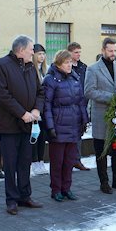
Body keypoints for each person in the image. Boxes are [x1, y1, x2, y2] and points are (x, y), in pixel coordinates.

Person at [0, 35, 45, 215]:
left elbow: (40, 91)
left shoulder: (31, 67)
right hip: (9, 125)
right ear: (21, 50)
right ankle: (11, 199)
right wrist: (22, 113)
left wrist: (37, 109)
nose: (34, 52)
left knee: (25, 162)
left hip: (28, 124)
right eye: (31, 49)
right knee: (10, 164)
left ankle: (25, 195)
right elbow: (2, 94)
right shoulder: (2, 66)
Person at [84, 37, 116, 194]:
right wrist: (112, 97)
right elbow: (89, 91)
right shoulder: (93, 69)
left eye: (115, 50)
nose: (113, 53)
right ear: (102, 50)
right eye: (110, 50)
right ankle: (104, 182)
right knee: (101, 151)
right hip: (102, 116)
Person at [42, 50, 88, 202]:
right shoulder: (50, 79)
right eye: (66, 63)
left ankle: (66, 188)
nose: (69, 65)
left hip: (73, 124)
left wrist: (84, 120)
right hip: (58, 125)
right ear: (58, 64)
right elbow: (46, 105)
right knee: (57, 161)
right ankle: (56, 189)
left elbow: (81, 101)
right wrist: (50, 127)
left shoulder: (75, 77)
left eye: (70, 62)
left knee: (69, 161)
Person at [67, 41, 89, 171]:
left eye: (79, 52)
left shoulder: (83, 67)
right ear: (69, 53)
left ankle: (77, 159)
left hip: (82, 104)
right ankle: (69, 160)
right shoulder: (67, 67)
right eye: (76, 52)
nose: (78, 55)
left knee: (79, 133)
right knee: (70, 134)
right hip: (69, 105)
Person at [30, 44, 49, 175]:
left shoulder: (46, 70)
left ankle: (41, 160)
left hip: (45, 109)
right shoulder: (31, 70)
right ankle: (34, 161)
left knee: (42, 136)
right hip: (34, 109)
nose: (41, 56)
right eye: (39, 54)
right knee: (34, 136)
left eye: (43, 54)